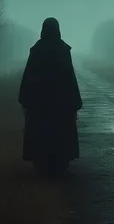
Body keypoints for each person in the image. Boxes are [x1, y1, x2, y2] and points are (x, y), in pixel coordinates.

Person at [18, 17, 83, 177]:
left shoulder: (37, 50)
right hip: (61, 104)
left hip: (39, 103)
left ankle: (42, 166)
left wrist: (25, 100)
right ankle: (60, 166)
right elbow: (69, 78)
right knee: (61, 134)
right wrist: (74, 103)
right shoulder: (62, 50)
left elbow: (28, 76)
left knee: (40, 134)